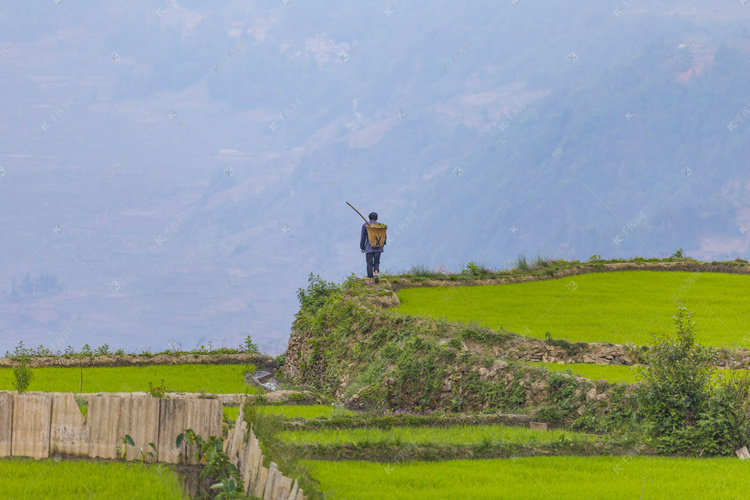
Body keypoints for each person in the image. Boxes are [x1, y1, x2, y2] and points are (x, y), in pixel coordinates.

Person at [360, 212, 385, 283]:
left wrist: (362, 246)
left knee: (369, 263)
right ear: (377, 218)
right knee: (377, 261)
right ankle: (376, 273)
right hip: (379, 247)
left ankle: (371, 279)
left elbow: (363, 237)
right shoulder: (381, 226)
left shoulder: (365, 225)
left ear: (369, 218)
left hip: (369, 248)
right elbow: (384, 236)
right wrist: (383, 244)